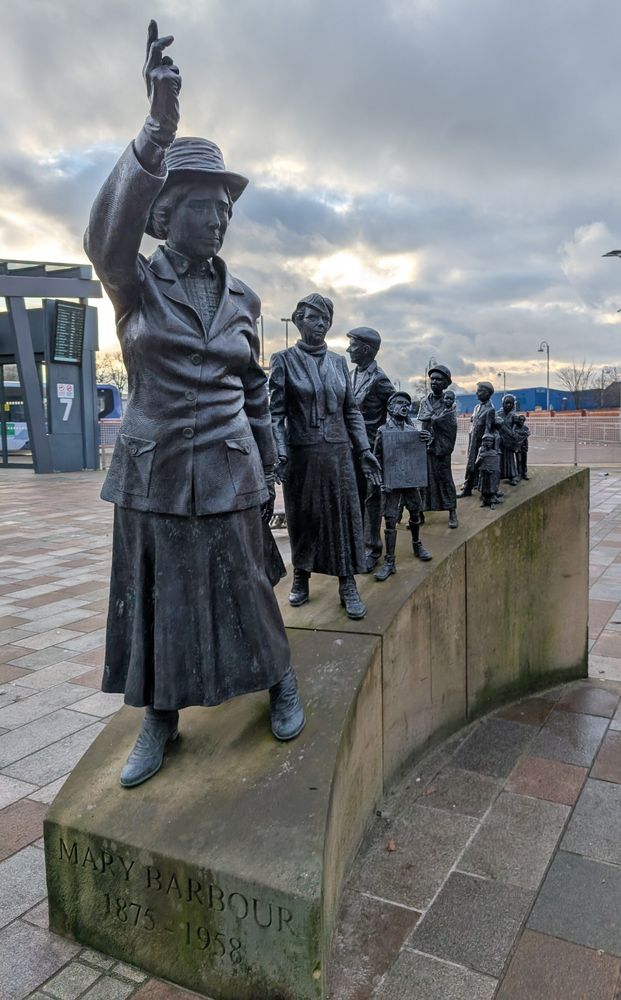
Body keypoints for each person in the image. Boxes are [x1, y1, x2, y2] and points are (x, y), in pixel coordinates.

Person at [84, 22, 304, 788]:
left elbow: (254, 389)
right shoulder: (134, 283)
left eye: (224, 208)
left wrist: (268, 461)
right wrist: (158, 126)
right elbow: (101, 238)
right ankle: (159, 717)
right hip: (153, 468)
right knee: (158, 595)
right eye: (204, 206)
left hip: (230, 463)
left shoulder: (243, 297)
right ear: (162, 215)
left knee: (247, 581)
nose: (219, 218)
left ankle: (278, 679)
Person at [269, 295, 382, 619]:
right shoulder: (284, 360)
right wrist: (279, 450)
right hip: (302, 455)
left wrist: (363, 450)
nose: (320, 324)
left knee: (344, 519)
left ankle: (347, 583)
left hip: (339, 453)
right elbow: (274, 413)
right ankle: (301, 577)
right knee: (305, 518)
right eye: (314, 318)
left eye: (325, 320)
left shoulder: (337, 363)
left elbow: (351, 411)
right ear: (298, 320)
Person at [346, 327, 395, 571]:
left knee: (372, 498)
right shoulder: (352, 374)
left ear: (366, 349)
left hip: (372, 450)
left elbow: (397, 405)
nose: (348, 349)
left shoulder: (379, 379)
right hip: (352, 448)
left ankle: (372, 548)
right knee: (354, 496)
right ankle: (356, 545)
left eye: (352, 345)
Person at [373, 391, 432, 581]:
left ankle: (417, 544)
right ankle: (390, 561)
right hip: (392, 483)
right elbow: (376, 460)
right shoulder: (383, 431)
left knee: (415, 512)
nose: (404, 406)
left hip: (410, 481)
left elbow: (419, 455)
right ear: (390, 408)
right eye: (400, 402)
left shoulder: (412, 431)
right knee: (390, 519)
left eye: (407, 403)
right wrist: (382, 482)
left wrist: (426, 440)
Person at [418, 365, 458, 528]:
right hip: (426, 447)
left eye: (438, 379)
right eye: (432, 379)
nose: (434, 382)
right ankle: (420, 512)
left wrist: (436, 433)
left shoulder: (449, 403)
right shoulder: (424, 402)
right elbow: (423, 424)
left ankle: (452, 511)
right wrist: (424, 437)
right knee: (423, 479)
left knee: (445, 478)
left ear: (446, 383)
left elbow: (450, 426)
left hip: (441, 448)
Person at [458, 381, 497, 497]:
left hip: (480, 443)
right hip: (472, 440)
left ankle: (467, 488)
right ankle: (472, 485)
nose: (477, 393)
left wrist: (485, 445)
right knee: (470, 463)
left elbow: (488, 429)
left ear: (487, 393)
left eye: (480, 391)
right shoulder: (476, 407)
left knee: (473, 465)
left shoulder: (490, 410)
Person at [495, 393, 520, 485]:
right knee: (499, 459)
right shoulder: (497, 414)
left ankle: (512, 476)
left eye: (511, 403)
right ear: (503, 403)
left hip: (509, 442)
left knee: (510, 459)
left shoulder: (513, 416)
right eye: (507, 403)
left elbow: (518, 427)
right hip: (500, 441)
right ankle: (498, 476)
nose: (509, 405)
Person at [476, 433, 501, 508]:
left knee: (492, 486)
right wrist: (480, 459)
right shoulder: (481, 451)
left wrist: (493, 471)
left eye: (490, 441)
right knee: (484, 487)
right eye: (486, 441)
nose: (488, 443)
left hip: (492, 473)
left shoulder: (495, 452)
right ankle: (484, 500)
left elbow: (497, 465)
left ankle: (492, 501)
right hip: (483, 473)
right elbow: (476, 463)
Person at [514, 413, 530, 479]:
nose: (521, 421)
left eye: (522, 420)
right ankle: (519, 474)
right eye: (520, 420)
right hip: (518, 447)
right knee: (519, 461)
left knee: (524, 461)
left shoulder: (525, 428)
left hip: (524, 447)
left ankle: (525, 473)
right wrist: (523, 434)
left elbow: (528, 433)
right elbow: (515, 434)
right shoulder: (515, 428)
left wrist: (523, 434)